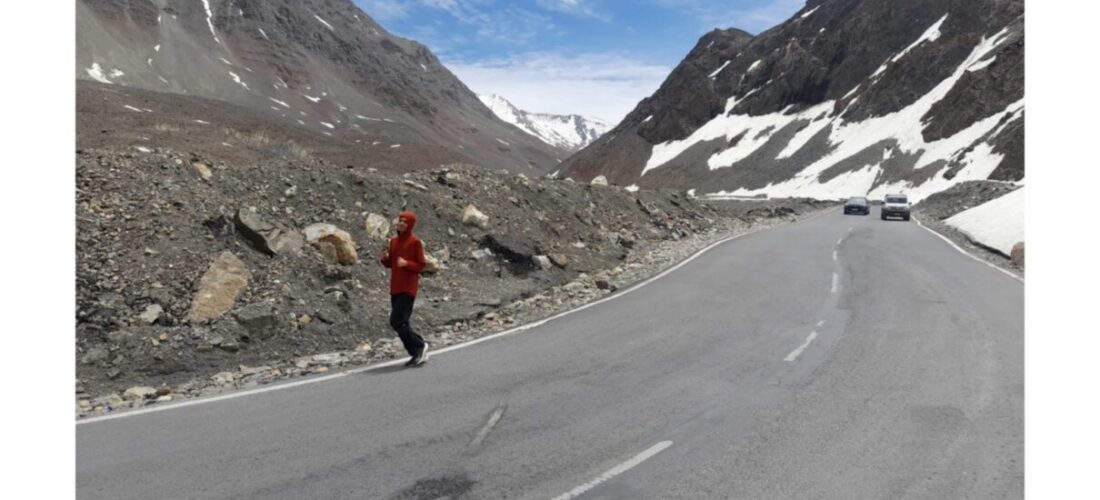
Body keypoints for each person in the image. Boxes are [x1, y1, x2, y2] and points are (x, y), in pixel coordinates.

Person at [379, 211, 429, 367]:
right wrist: (384, 258)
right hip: (395, 287)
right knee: (399, 323)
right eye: (400, 220)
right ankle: (416, 350)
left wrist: (407, 264)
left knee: (397, 320)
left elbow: (421, 265)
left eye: (405, 222)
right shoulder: (393, 242)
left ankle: (419, 346)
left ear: (410, 225)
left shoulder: (415, 242)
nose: (401, 223)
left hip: (408, 288)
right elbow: (390, 264)